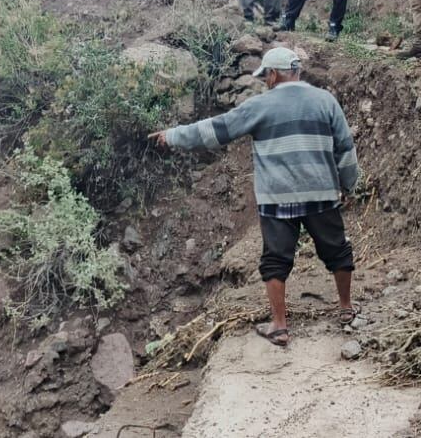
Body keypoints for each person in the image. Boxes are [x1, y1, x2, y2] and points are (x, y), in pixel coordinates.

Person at [148, 47, 361, 347]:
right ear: (297, 71)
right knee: (337, 250)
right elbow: (345, 148)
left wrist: (173, 135)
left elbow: (216, 130)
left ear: (273, 75)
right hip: (321, 193)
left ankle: (280, 326)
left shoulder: (260, 105)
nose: (265, 82)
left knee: (275, 260)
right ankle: (346, 309)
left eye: (266, 77)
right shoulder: (325, 101)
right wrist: (348, 185)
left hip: (277, 198)